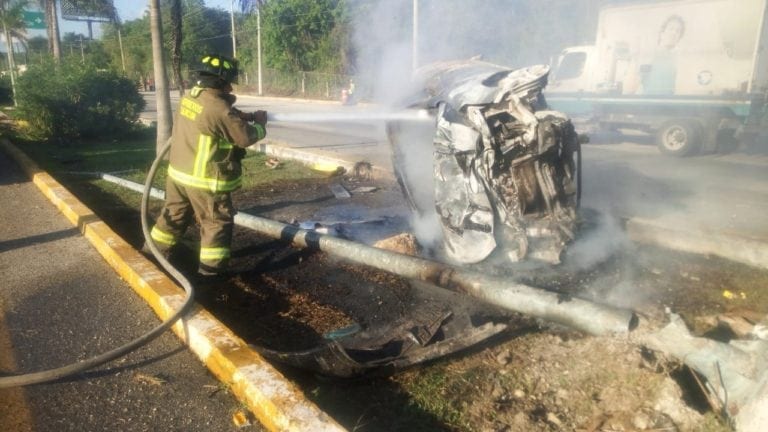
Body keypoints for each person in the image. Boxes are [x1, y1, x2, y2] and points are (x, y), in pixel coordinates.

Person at [148, 53, 267, 277]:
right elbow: (245, 137)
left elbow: (215, 118)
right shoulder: (218, 109)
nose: (231, 88)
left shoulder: (191, 98)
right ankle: (210, 274)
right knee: (216, 223)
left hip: (178, 175)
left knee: (173, 216)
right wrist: (260, 124)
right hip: (204, 181)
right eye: (228, 82)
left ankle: (151, 254)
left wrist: (241, 114)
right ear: (219, 81)